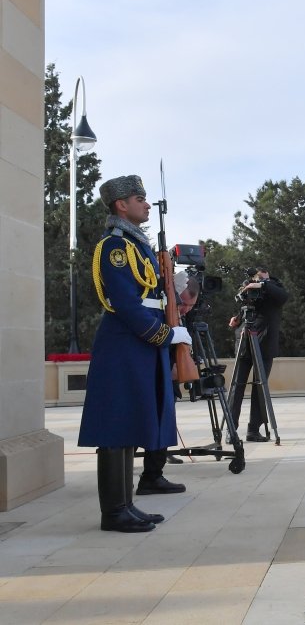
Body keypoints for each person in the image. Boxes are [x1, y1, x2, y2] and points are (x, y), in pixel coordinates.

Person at [78, 175, 194, 532]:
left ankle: (125, 504)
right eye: (138, 198)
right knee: (116, 425)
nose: (146, 204)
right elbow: (126, 304)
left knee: (129, 425)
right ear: (120, 205)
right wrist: (163, 335)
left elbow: (151, 294)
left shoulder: (136, 244)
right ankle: (113, 512)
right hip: (125, 342)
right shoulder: (115, 247)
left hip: (139, 344)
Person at [136, 273, 202, 491]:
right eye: (183, 304)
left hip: (165, 376)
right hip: (149, 372)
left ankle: (153, 476)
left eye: (190, 306)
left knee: (163, 425)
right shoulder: (158, 308)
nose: (185, 310)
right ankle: (127, 478)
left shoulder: (179, 314)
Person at [227, 267, 288, 441]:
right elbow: (244, 303)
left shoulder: (274, 287)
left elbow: (283, 297)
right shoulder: (248, 285)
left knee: (259, 389)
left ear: (268, 275)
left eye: (263, 275)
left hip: (265, 344)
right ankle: (231, 431)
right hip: (245, 341)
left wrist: (263, 283)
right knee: (236, 387)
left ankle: (253, 430)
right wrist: (237, 316)